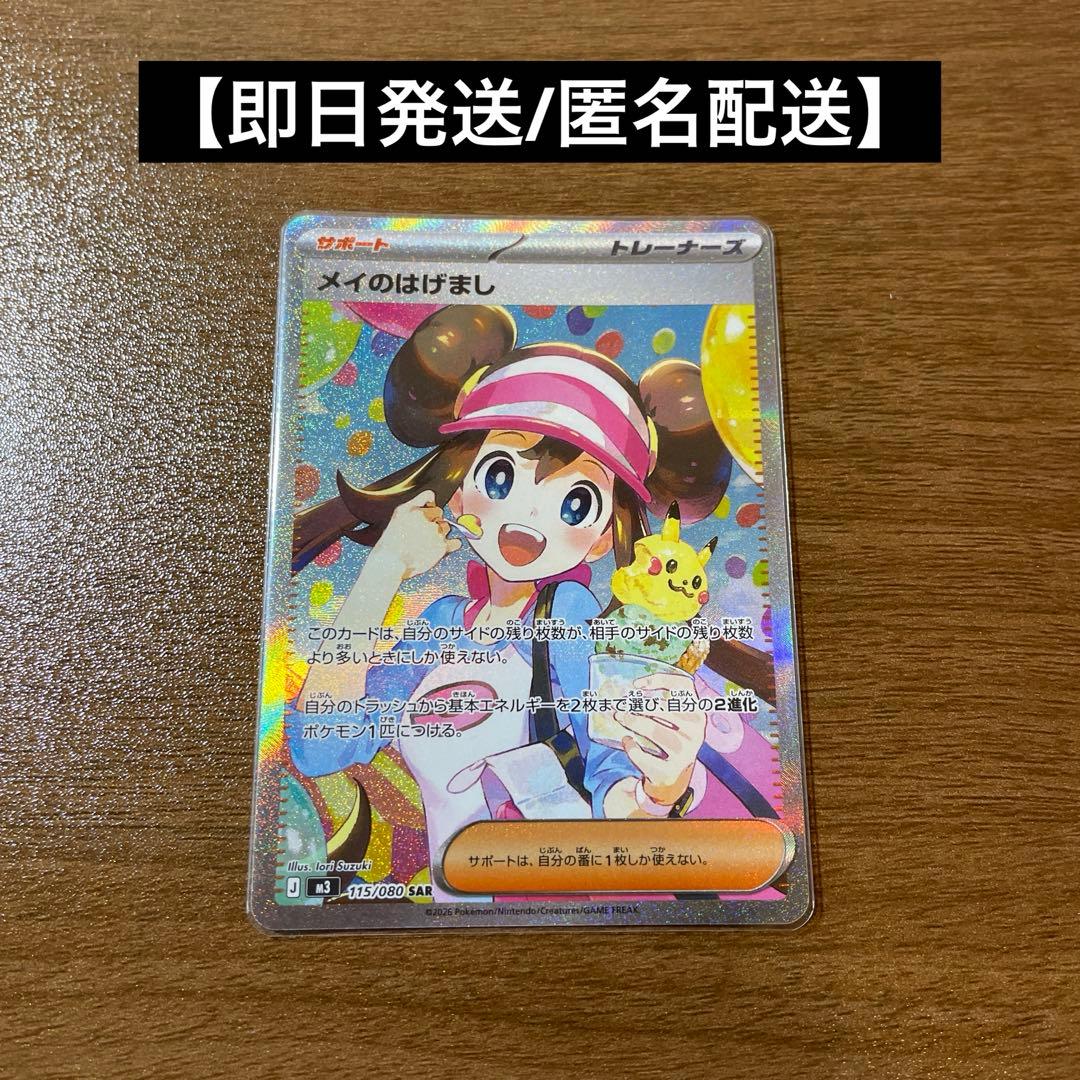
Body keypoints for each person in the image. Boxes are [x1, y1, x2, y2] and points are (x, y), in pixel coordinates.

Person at [287, 305, 778, 899]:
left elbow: (611, 779)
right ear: (459, 489)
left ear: (603, 538)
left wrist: (663, 788)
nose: (528, 520)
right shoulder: (442, 623)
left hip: (547, 904)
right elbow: (323, 744)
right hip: (450, 916)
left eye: (576, 503)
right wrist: (384, 570)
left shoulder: (565, 615)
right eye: (500, 476)